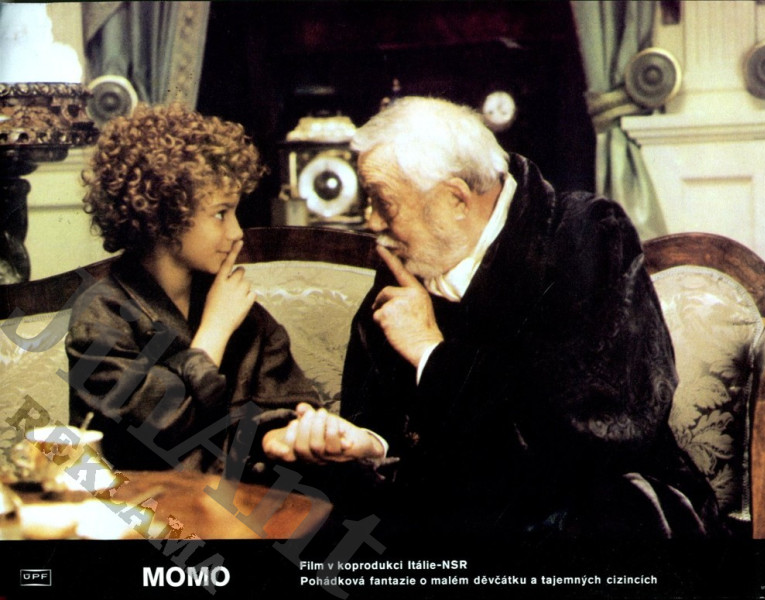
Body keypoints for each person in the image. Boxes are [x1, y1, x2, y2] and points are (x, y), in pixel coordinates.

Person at [264, 96, 721, 540]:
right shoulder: (408, 259)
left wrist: (430, 353)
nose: (372, 222)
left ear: (455, 200)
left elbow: (602, 427)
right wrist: (367, 443)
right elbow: (388, 425)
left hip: (600, 511)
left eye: (383, 203)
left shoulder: (585, 234)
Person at [66, 102, 318, 478]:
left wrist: (281, 434)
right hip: (145, 509)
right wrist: (214, 332)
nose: (236, 232)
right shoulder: (100, 317)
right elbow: (151, 438)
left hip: (239, 502)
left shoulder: (234, 306)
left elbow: (291, 405)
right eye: (220, 213)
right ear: (165, 215)